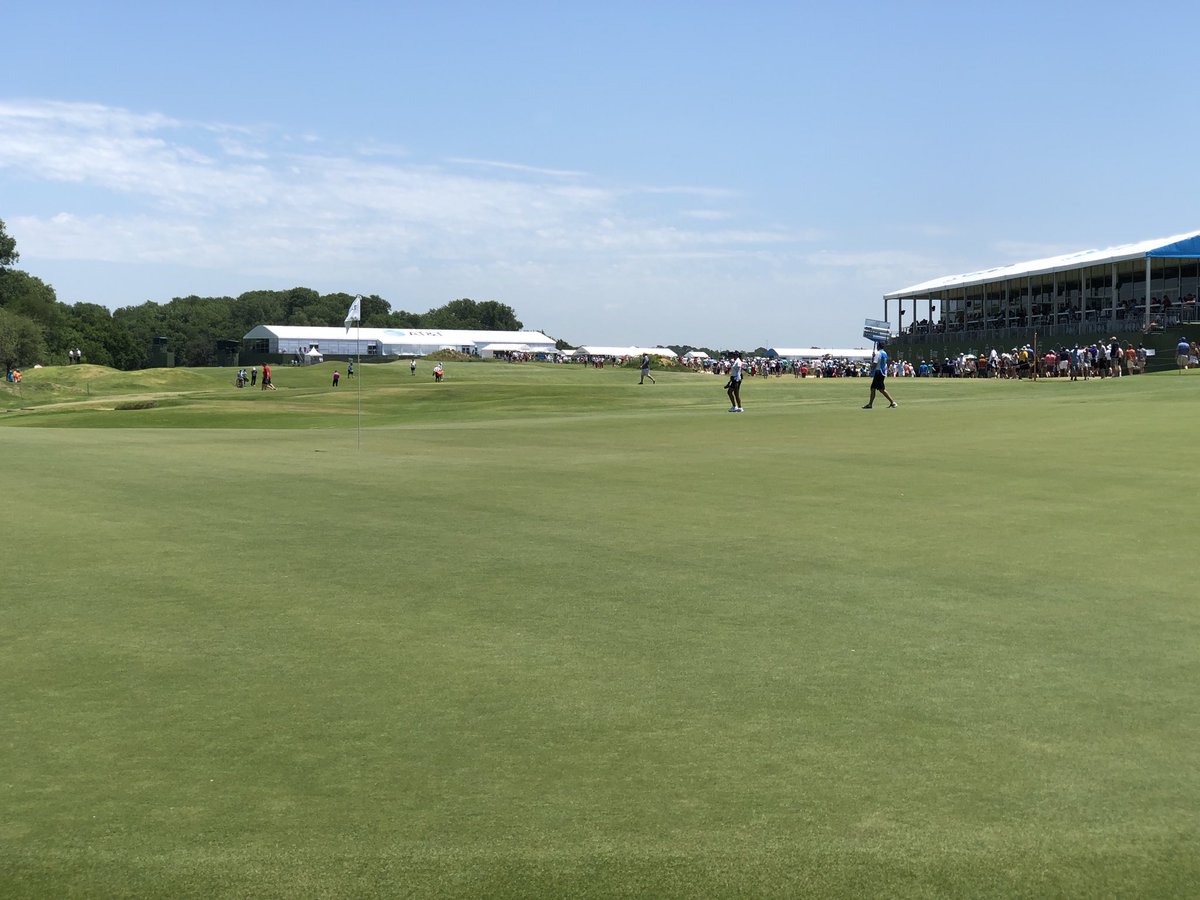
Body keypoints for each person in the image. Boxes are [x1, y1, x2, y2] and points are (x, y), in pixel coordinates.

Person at [863, 342, 898, 409]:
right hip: (882, 372)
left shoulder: (878, 353)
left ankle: (893, 403)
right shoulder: (884, 353)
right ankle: (870, 404)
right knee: (873, 388)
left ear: (878, 346)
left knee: (881, 389)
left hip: (879, 372)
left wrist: (871, 367)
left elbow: (875, 363)